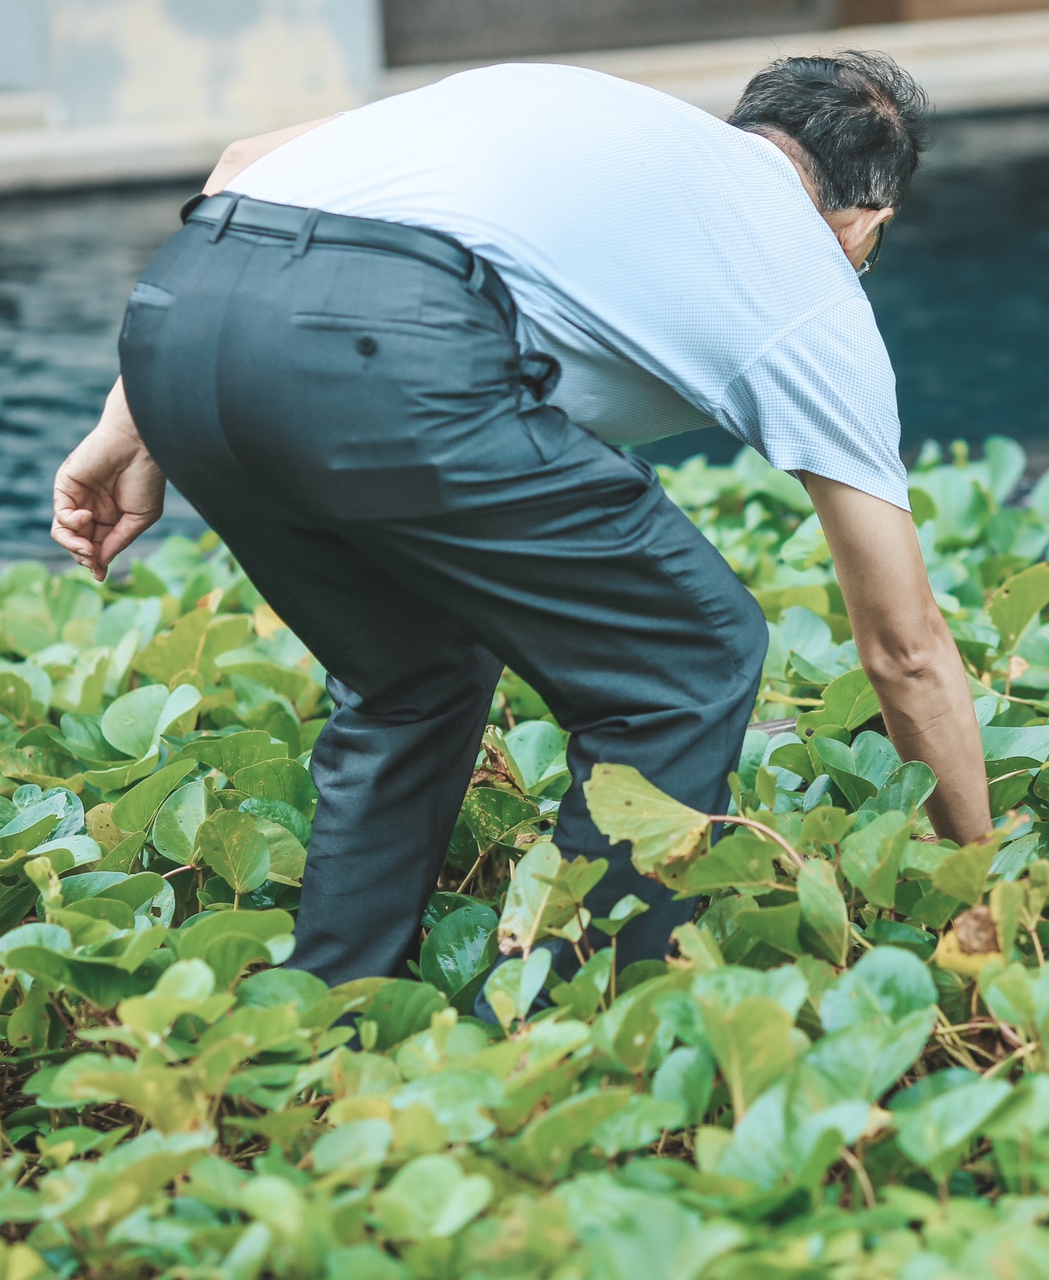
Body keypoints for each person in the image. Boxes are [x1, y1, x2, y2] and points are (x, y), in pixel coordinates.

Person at [49, 51, 990, 1014]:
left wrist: (133, 424)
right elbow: (906, 648)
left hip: (179, 319)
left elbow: (247, 164)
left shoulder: (575, 100)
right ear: (865, 221)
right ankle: (567, 1028)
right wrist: (982, 886)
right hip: (394, 346)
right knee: (691, 659)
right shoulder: (813, 287)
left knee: (411, 676)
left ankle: (319, 1013)